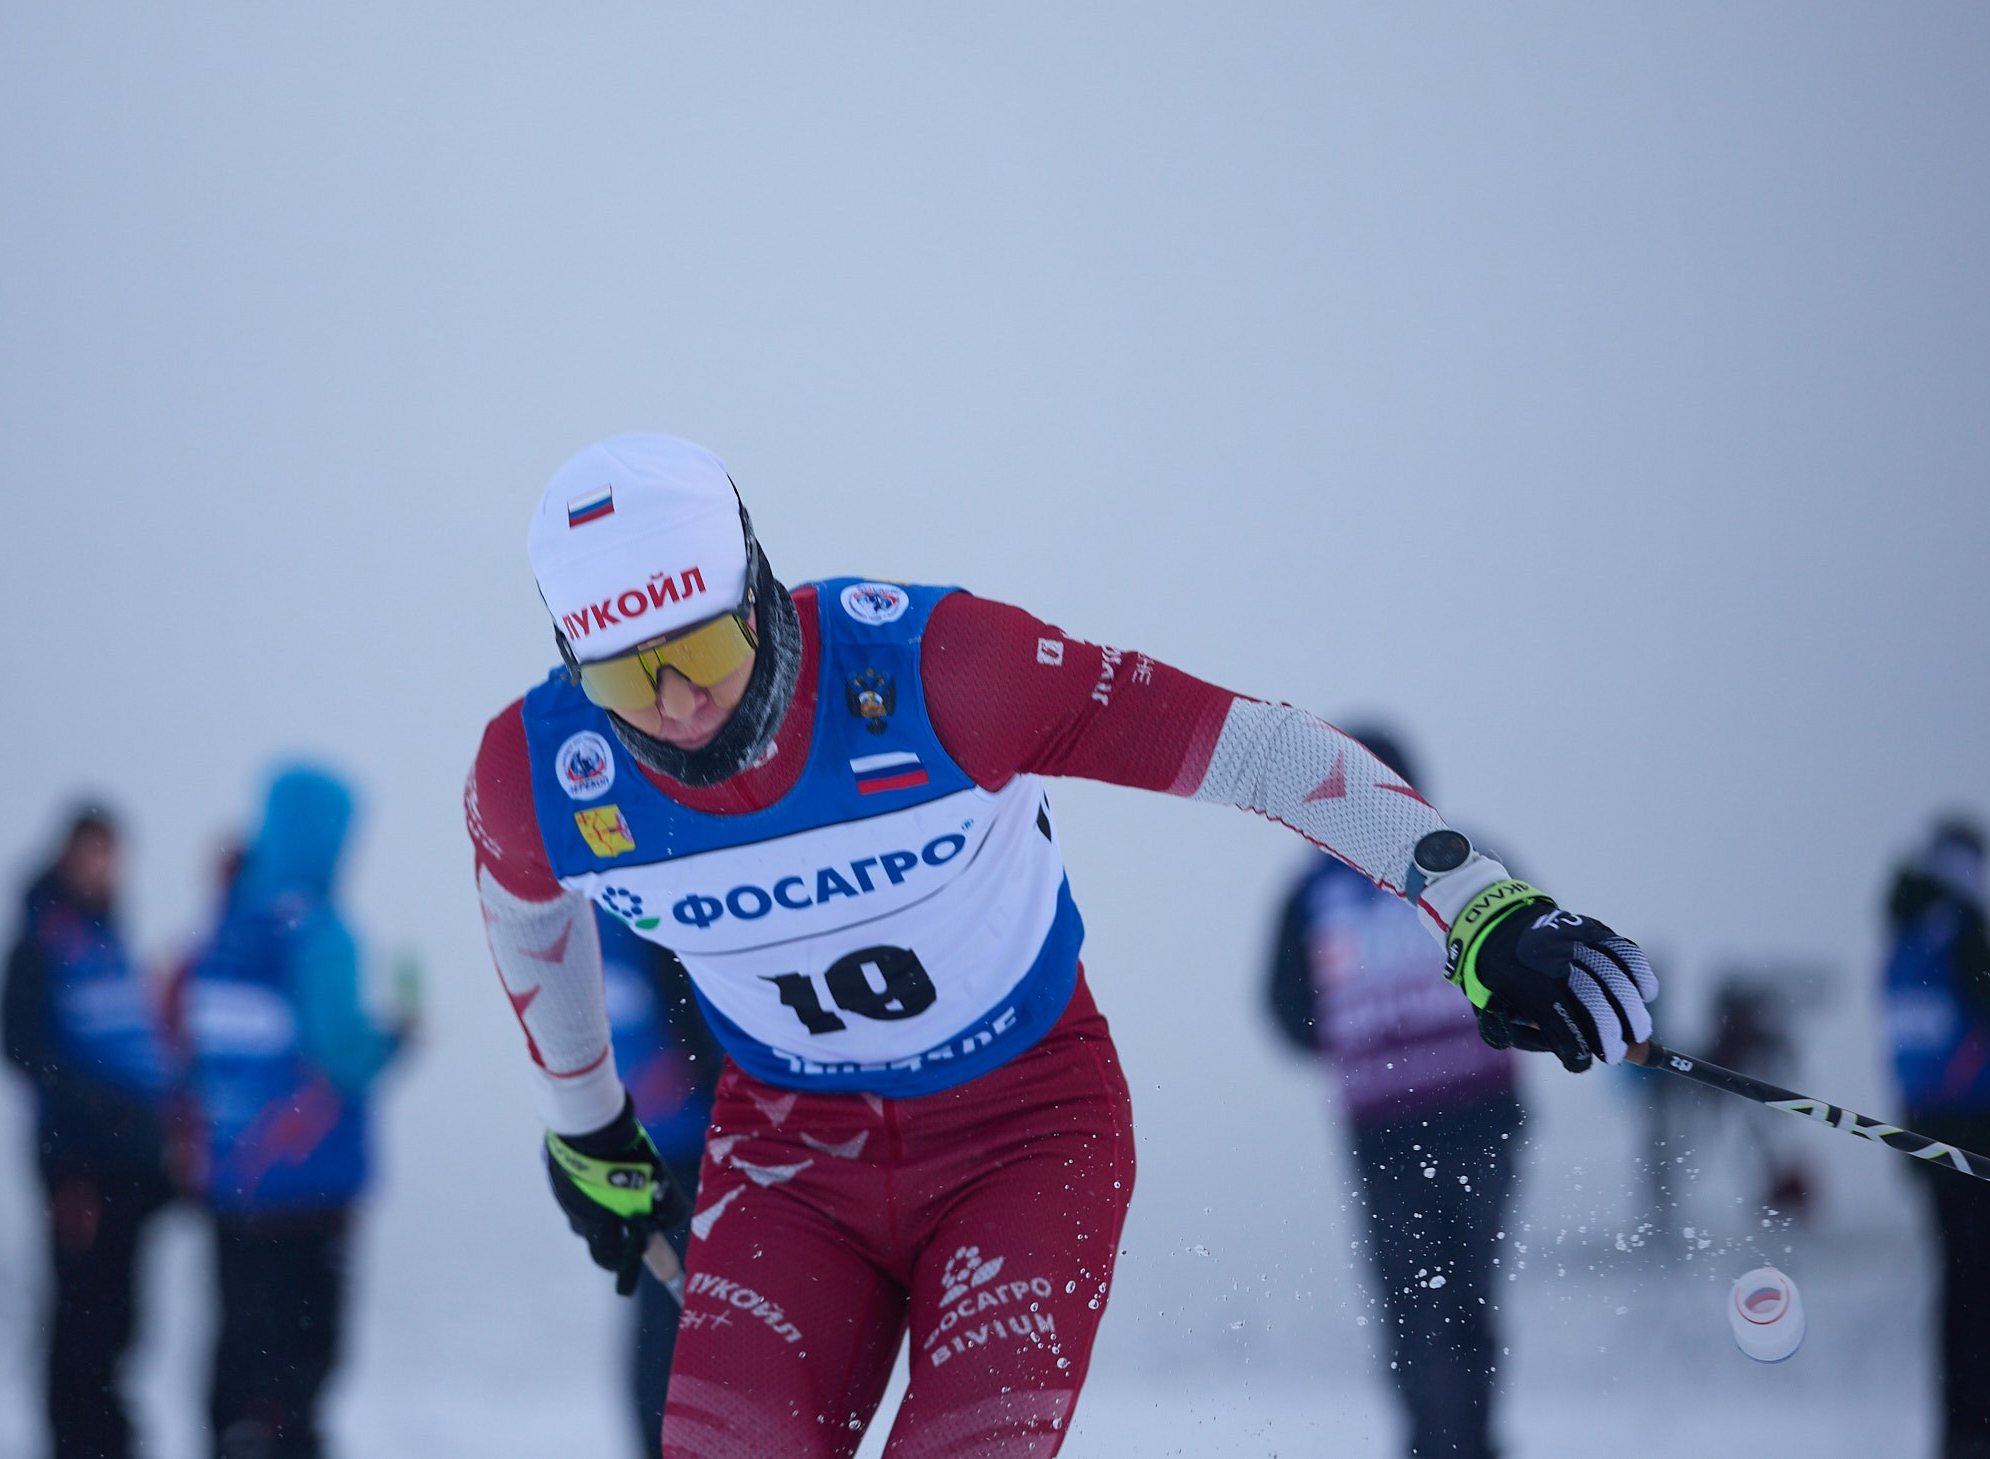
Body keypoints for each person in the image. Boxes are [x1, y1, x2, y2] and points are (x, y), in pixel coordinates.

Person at [461, 434, 1663, 1459]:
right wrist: (587, 1130)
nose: (679, 705)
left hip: (1022, 1129)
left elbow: (1255, 750)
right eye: (626, 677)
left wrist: (1479, 905)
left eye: (707, 652)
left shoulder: (938, 670)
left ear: (759, 589)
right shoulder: (539, 772)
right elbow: (521, 912)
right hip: (789, 1152)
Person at [1264, 726, 1521, 1459]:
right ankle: (1455, 1443)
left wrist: (1369, 1038)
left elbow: (1289, 1012)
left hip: (1416, 1128)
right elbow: (1285, 1007)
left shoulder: (1316, 892)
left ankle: (1450, 1443)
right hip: (1446, 1126)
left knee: (1429, 1303)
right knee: (1450, 1299)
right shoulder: (1469, 865)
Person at [173, 765, 412, 1459]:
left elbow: (189, 1048)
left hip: (234, 1180)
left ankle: (237, 1437)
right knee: (303, 1362)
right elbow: (343, 1055)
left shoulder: (224, 928)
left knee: (240, 1349)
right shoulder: (321, 932)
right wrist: (397, 1035)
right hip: (309, 1186)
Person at [0, 801, 175, 1459]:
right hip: (78, 1158)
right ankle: (79, 1440)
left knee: (120, 1311)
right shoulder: (39, 940)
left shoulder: (111, 939)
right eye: (90, 852)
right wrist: (94, 1111)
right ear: (66, 855)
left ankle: (109, 1435)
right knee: (82, 1310)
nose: (101, 867)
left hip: (133, 1159)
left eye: (110, 854)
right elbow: (17, 1044)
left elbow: (136, 1039)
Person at [1881, 814, 1990, 1459]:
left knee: (1961, 1287)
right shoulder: (1961, 930)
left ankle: (1961, 1429)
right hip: (1984, 1135)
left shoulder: (1905, 933)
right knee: (1984, 1290)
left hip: (1929, 1139)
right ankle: (1974, 1430)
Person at [597, 912, 722, 1458]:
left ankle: (665, 1444)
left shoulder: (591, 896)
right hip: (682, 1143)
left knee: (671, 1312)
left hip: (655, 1141)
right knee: (682, 1316)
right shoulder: (628, 900)